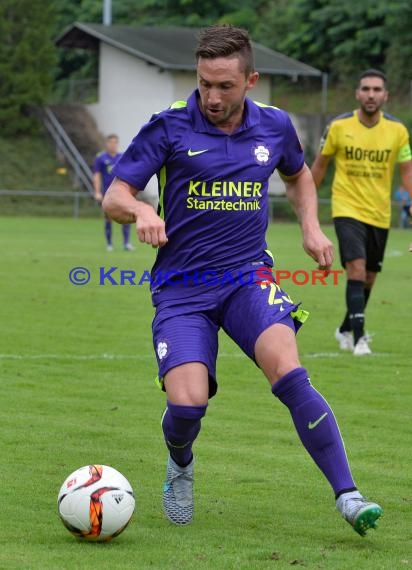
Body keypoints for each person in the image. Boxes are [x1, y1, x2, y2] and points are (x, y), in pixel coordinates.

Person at [103, 25, 382, 535]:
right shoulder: (168, 127)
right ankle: (181, 463)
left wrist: (311, 226)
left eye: (224, 86)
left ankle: (349, 495)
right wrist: (140, 209)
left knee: (290, 371)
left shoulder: (274, 127)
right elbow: (114, 194)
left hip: (247, 278)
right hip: (182, 288)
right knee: (187, 404)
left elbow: (298, 175)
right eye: (205, 83)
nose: (211, 96)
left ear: (250, 80)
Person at [311, 69, 412, 356]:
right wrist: (307, 206)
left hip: (380, 214)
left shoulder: (398, 131)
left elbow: (408, 173)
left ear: (385, 95)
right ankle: (359, 339)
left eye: (376, 89)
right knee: (355, 268)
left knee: (368, 278)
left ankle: (344, 328)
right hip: (346, 208)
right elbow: (319, 166)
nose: (371, 94)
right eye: (366, 89)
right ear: (357, 94)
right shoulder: (339, 126)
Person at [93, 134, 135, 251]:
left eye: (115, 142)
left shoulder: (122, 157)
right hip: (107, 194)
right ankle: (109, 244)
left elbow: (129, 174)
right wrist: (97, 192)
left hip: (122, 194)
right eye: (110, 142)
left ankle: (126, 243)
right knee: (108, 218)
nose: (113, 144)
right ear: (107, 143)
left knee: (126, 217)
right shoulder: (100, 158)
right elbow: (97, 175)